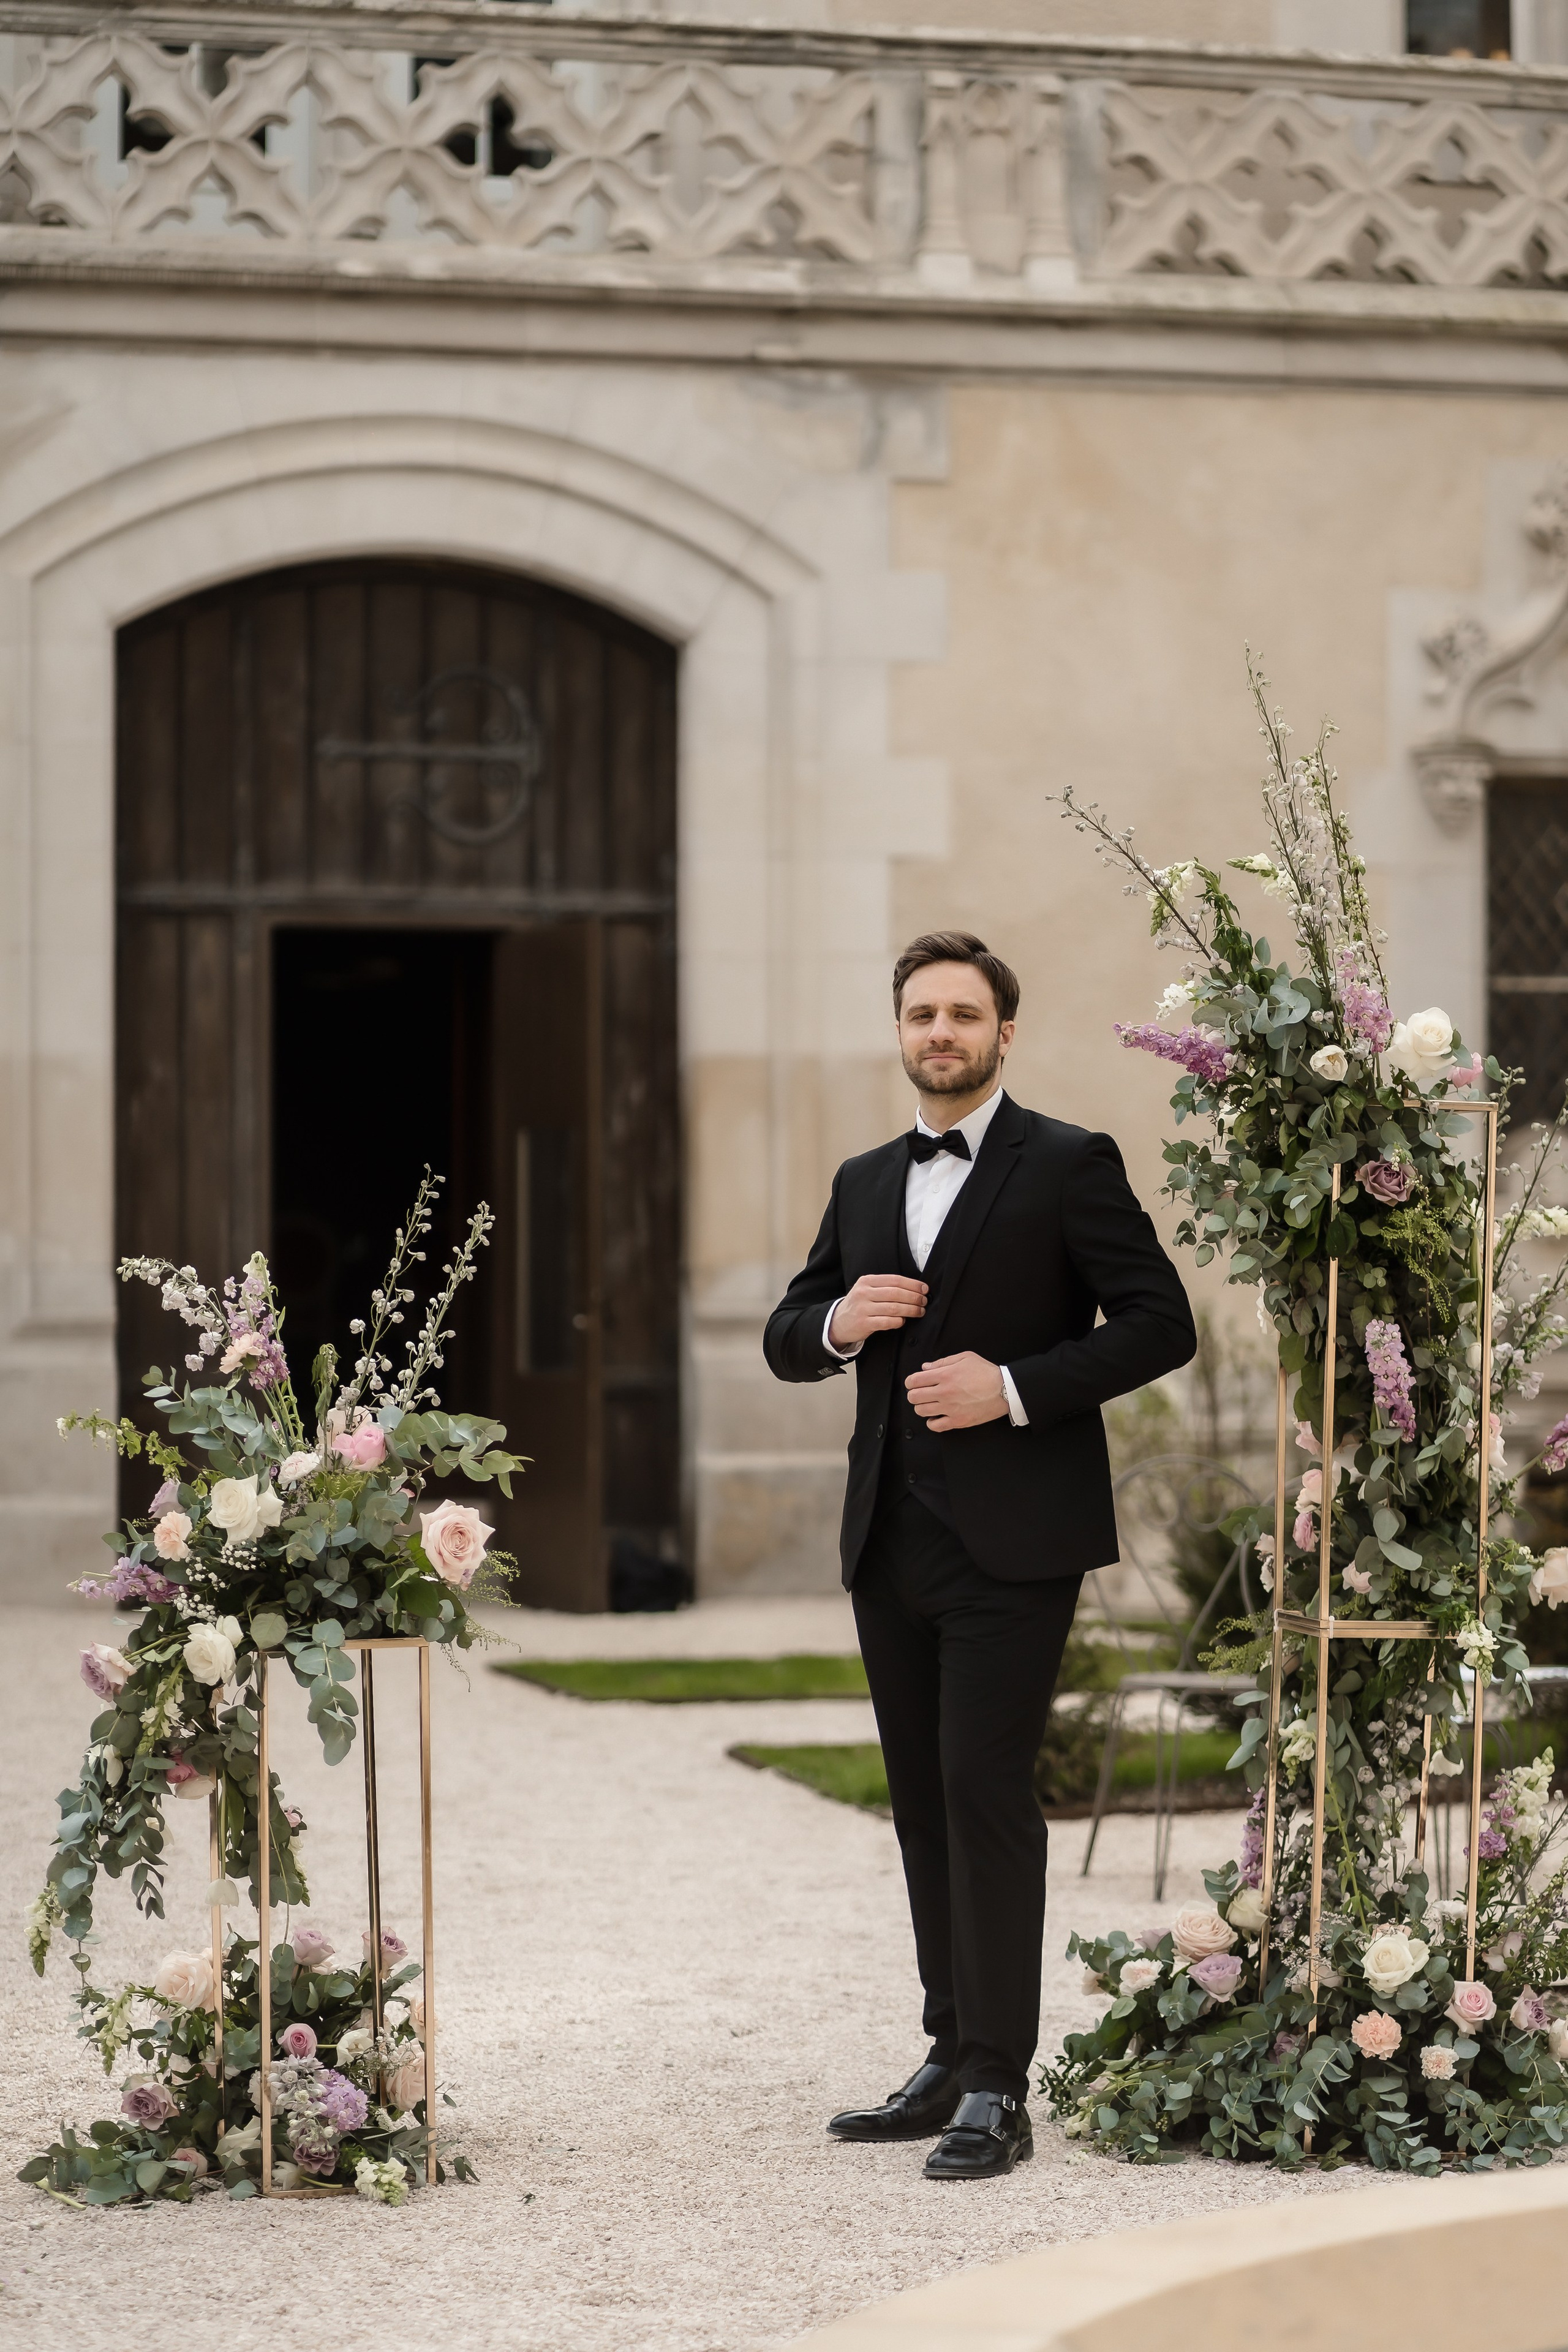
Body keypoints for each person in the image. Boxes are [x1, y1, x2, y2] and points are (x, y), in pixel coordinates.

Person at [763, 930, 1196, 2180]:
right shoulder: (859, 1181)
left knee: (984, 1793)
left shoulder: (1066, 1164)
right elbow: (788, 1331)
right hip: (886, 1535)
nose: (938, 1032)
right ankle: (948, 2049)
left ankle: (1000, 2087)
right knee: (919, 1805)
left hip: (1015, 1542)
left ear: (1005, 1031)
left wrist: (1011, 1387)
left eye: (961, 1014)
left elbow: (1157, 1323)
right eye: (919, 1014)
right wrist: (841, 1321)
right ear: (898, 1032)